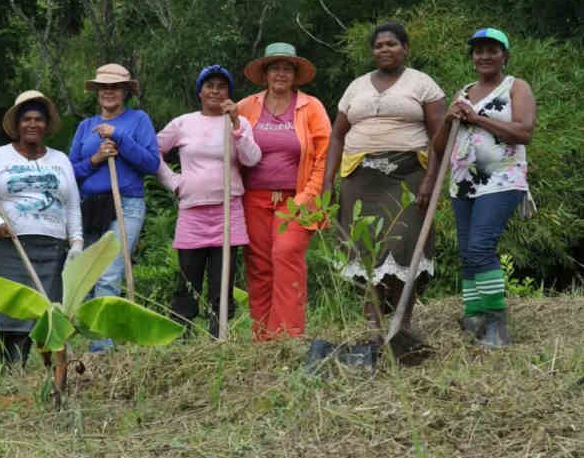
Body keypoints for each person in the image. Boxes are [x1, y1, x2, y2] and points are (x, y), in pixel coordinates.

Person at [322, 22, 446, 336]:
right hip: (360, 179)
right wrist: (328, 182)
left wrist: (430, 180)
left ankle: (402, 321)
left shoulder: (422, 84)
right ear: (372, 52)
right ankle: (374, 323)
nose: (385, 50)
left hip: (407, 176)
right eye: (379, 46)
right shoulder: (356, 86)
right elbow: (337, 136)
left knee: (402, 245)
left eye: (392, 44)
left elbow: (439, 136)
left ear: (405, 48)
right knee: (365, 249)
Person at [432, 28, 535, 348]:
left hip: (503, 178)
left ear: (505, 55)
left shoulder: (516, 86)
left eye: (492, 50)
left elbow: (523, 132)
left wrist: (477, 119)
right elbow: (438, 147)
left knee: (480, 248)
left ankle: (497, 324)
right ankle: (473, 316)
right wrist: (449, 119)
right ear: (472, 57)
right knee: (467, 253)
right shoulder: (463, 91)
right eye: (478, 51)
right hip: (464, 181)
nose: (485, 56)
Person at [0, 90, 83, 367]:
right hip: (12, 246)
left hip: (52, 248)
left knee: (47, 313)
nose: (32, 124)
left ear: (46, 125)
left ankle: (45, 374)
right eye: (27, 119)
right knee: (5, 310)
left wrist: (77, 242)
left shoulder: (60, 160)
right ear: (18, 124)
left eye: (38, 119)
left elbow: (71, 204)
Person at [157, 65, 261, 337]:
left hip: (228, 211)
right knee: (188, 280)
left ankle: (220, 337)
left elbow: (252, 159)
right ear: (200, 92)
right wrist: (173, 181)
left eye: (221, 86)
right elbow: (152, 151)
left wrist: (236, 125)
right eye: (209, 86)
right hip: (192, 212)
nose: (215, 91)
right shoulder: (183, 123)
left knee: (222, 281)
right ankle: (180, 336)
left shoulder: (239, 122)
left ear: (230, 93)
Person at [237, 43, 331, 340]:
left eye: (286, 68)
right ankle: (262, 338)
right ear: (265, 73)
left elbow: (324, 155)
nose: (280, 73)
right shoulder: (246, 107)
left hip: (297, 198)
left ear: (295, 73)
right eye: (274, 67)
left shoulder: (310, 106)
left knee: (286, 255)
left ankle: (288, 337)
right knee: (259, 267)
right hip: (254, 198)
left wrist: (309, 195)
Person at [68, 63, 159, 351]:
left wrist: (118, 137)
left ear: (124, 92)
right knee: (87, 275)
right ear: (97, 92)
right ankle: (90, 341)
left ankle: (103, 352)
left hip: (126, 204)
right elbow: (69, 170)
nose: (109, 92)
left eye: (114, 87)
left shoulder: (139, 120)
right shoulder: (85, 126)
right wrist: (95, 159)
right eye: (103, 88)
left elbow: (151, 163)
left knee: (109, 274)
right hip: (89, 207)